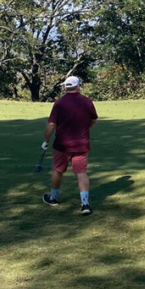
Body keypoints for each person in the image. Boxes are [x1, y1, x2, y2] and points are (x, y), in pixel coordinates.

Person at [42, 76, 98, 214]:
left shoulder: (59, 103)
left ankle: (53, 198)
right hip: (81, 144)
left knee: (58, 170)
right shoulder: (87, 101)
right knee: (81, 172)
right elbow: (93, 120)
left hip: (62, 145)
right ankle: (85, 204)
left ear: (65, 87)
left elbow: (51, 124)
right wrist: (85, 127)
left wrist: (46, 141)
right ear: (78, 86)